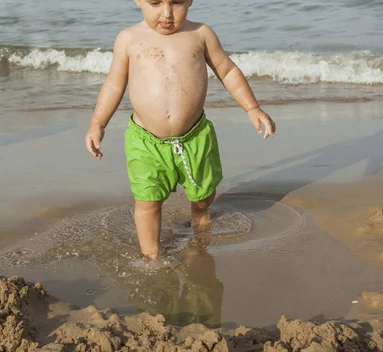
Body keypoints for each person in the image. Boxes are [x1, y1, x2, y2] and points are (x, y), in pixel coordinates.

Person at [85, 0, 276, 259]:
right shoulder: (129, 38)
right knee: (147, 201)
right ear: (138, 1)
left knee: (203, 193)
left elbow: (227, 71)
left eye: (177, 2)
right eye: (155, 3)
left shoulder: (200, 34)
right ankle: (151, 257)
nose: (167, 13)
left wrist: (252, 108)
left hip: (194, 137)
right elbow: (113, 85)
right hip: (145, 142)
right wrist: (98, 123)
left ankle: (200, 214)